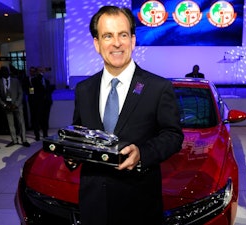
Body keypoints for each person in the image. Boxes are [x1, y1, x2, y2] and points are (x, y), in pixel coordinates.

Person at [71, 6, 184, 225]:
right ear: (97, 44)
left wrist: (142, 153)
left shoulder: (157, 87)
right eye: (107, 36)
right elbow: (80, 131)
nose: (116, 43)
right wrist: (72, 152)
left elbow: (173, 135)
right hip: (93, 206)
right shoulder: (83, 89)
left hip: (139, 205)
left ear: (132, 41)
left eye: (123, 35)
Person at [0, 66, 30, 147]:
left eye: (6, 71)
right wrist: (4, 105)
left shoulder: (16, 81)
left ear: (9, 71)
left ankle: (24, 140)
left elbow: (21, 93)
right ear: (1, 72)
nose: (5, 72)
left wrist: (16, 104)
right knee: (10, 124)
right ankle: (14, 140)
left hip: (17, 106)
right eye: (3, 71)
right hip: (7, 106)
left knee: (21, 123)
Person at [27, 66, 55, 140]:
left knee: (45, 119)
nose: (41, 71)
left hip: (46, 104)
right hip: (37, 104)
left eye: (42, 70)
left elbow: (48, 91)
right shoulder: (34, 80)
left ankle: (45, 134)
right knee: (37, 120)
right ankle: (37, 135)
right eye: (40, 70)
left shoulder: (47, 81)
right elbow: (31, 92)